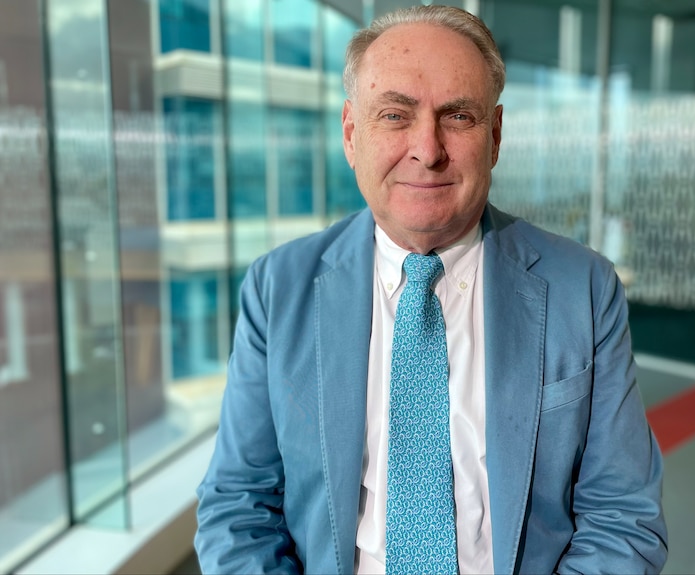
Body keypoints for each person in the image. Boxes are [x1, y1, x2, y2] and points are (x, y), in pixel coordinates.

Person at [194, 5, 667, 574]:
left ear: (494, 137)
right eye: (395, 115)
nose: (428, 148)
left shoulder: (583, 289)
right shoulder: (279, 289)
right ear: (351, 135)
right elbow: (238, 508)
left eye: (458, 117)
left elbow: (622, 517)